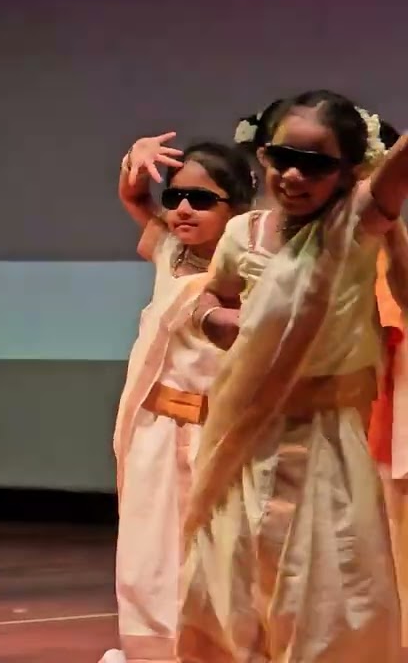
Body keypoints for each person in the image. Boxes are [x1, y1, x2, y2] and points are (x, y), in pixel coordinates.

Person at [180, 90, 408, 661]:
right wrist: (216, 320)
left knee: (326, 594)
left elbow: (395, 176)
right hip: (243, 438)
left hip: (324, 446)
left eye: (315, 164)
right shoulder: (242, 233)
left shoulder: (355, 226)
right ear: (262, 154)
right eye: (281, 157)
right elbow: (212, 296)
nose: (293, 175)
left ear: (350, 172)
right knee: (233, 581)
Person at [98, 138, 255, 663]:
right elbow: (133, 196)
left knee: (217, 554)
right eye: (175, 196)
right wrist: (133, 161)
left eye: (202, 199)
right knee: (147, 549)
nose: (183, 208)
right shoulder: (170, 250)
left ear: (238, 210)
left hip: (219, 434)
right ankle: (151, 652)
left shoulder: (250, 271)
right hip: (156, 428)